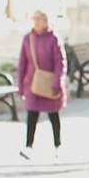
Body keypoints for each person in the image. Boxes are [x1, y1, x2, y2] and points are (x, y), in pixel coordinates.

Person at [18, 10, 67, 159]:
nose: (36, 22)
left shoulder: (54, 39)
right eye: (34, 19)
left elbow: (60, 62)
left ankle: (58, 144)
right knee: (32, 114)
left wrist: (58, 81)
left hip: (50, 83)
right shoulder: (28, 39)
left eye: (39, 19)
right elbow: (22, 63)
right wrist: (20, 85)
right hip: (32, 83)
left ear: (46, 21)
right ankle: (28, 146)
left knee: (53, 114)